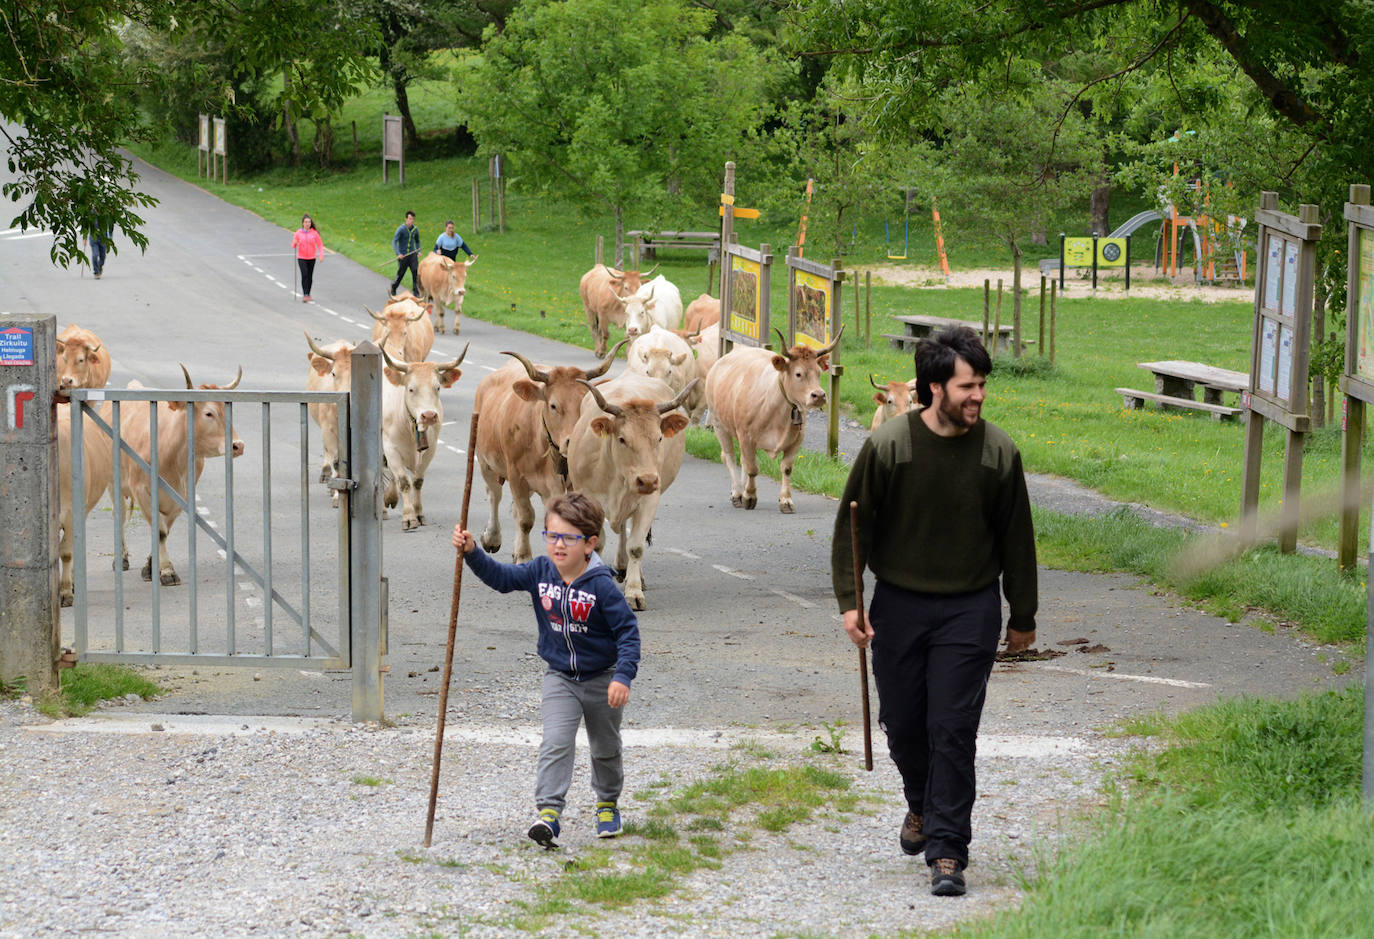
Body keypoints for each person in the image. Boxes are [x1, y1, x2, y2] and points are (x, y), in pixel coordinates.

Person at [830, 325, 1037, 898]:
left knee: (953, 727)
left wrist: (1022, 614)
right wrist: (851, 603)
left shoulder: (998, 452)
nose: (978, 396)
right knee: (903, 723)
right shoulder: (890, 446)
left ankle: (948, 849)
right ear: (933, 388)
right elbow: (854, 527)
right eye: (968, 386)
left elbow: (1018, 539)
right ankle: (920, 802)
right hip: (898, 604)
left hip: (970, 608)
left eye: (982, 386)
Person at [452, 491, 640, 848]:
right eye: (552, 535)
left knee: (605, 748)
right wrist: (473, 553)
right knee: (555, 742)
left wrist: (622, 676)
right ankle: (549, 813)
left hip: (603, 679)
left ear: (590, 543)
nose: (558, 545)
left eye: (569, 538)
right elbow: (503, 578)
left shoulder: (602, 585)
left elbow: (628, 633)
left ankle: (607, 804)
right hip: (561, 678)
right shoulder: (540, 572)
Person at [292, 214, 324, 302]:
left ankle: (308, 294)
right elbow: (293, 246)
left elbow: (320, 245)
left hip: (311, 257)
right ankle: (305, 294)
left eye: (309, 222)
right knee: (304, 274)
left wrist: (321, 255)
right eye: (305, 222)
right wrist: (295, 243)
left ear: (310, 223)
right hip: (301, 257)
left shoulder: (314, 233)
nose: (307, 224)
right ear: (302, 223)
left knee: (310, 276)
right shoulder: (298, 233)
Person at [390, 210, 421, 296]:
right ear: (406, 219)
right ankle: (394, 287)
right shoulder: (401, 229)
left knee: (415, 271)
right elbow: (394, 241)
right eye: (410, 219)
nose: (411, 221)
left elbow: (417, 241)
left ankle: (416, 291)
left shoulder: (415, 229)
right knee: (401, 274)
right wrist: (398, 253)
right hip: (403, 256)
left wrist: (419, 251)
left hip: (412, 254)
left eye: (413, 219)